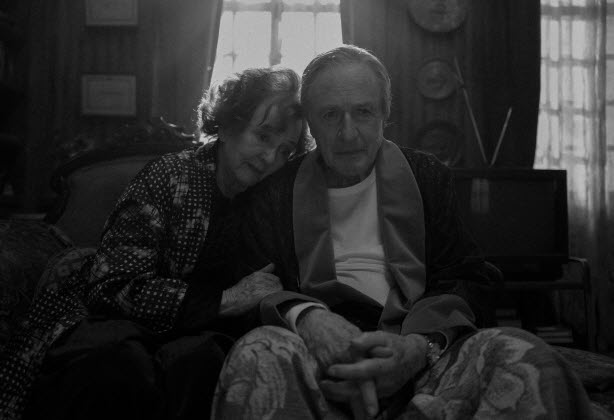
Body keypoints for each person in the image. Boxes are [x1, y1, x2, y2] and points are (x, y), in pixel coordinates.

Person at [211, 45, 595, 419]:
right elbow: (253, 287)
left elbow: (467, 276)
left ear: (385, 113)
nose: (348, 133)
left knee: (519, 351)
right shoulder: (274, 192)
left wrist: (416, 348)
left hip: (418, 352)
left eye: (363, 112)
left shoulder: (427, 176)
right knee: (257, 352)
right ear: (310, 123)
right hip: (313, 354)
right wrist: (307, 318)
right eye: (330, 115)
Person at [0, 67, 307, 420]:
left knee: (204, 360)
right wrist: (226, 300)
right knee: (115, 360)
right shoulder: (169, 176)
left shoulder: (270, 202)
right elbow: (111, 287)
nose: (270, 159)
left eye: (284, 151)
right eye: (263, 136)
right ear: (226, 126)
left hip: (198, 338)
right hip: (114, 326)